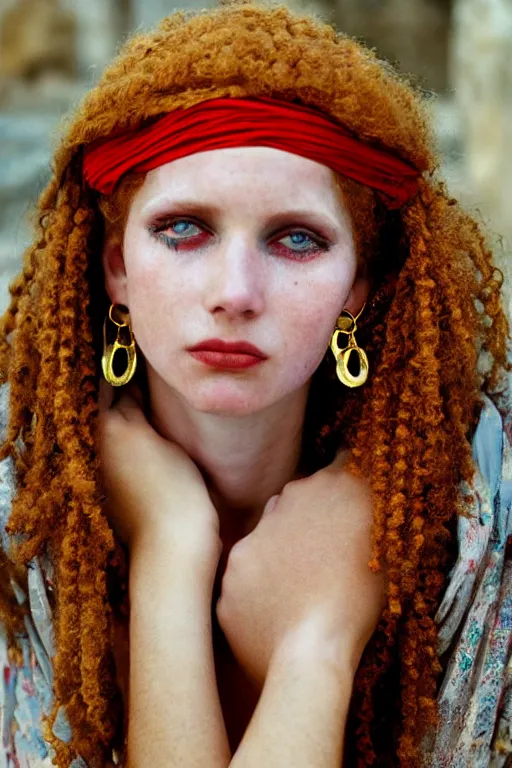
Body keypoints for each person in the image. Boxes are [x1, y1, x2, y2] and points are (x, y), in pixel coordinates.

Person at [0, 0, 510, 765]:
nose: (235, 292)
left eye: (296, 239)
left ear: (358, 286)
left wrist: (314, 643)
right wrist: (170, 550)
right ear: (116, 268)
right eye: (183, 229)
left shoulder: (479, 524)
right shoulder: (22, 522)